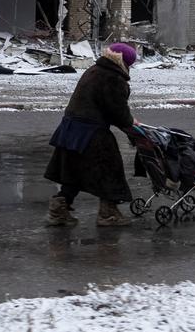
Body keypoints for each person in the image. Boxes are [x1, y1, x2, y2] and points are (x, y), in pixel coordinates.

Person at [44, 42, 139, 227]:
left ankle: (59, 208)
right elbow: (117, 111)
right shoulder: (112, 77)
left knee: (74, 171)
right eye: (129, 65)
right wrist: (132, 125)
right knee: (110, 170)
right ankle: (108, 213)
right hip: (91, 132)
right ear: (123, 62)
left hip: (71, 129)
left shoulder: (95, 69)